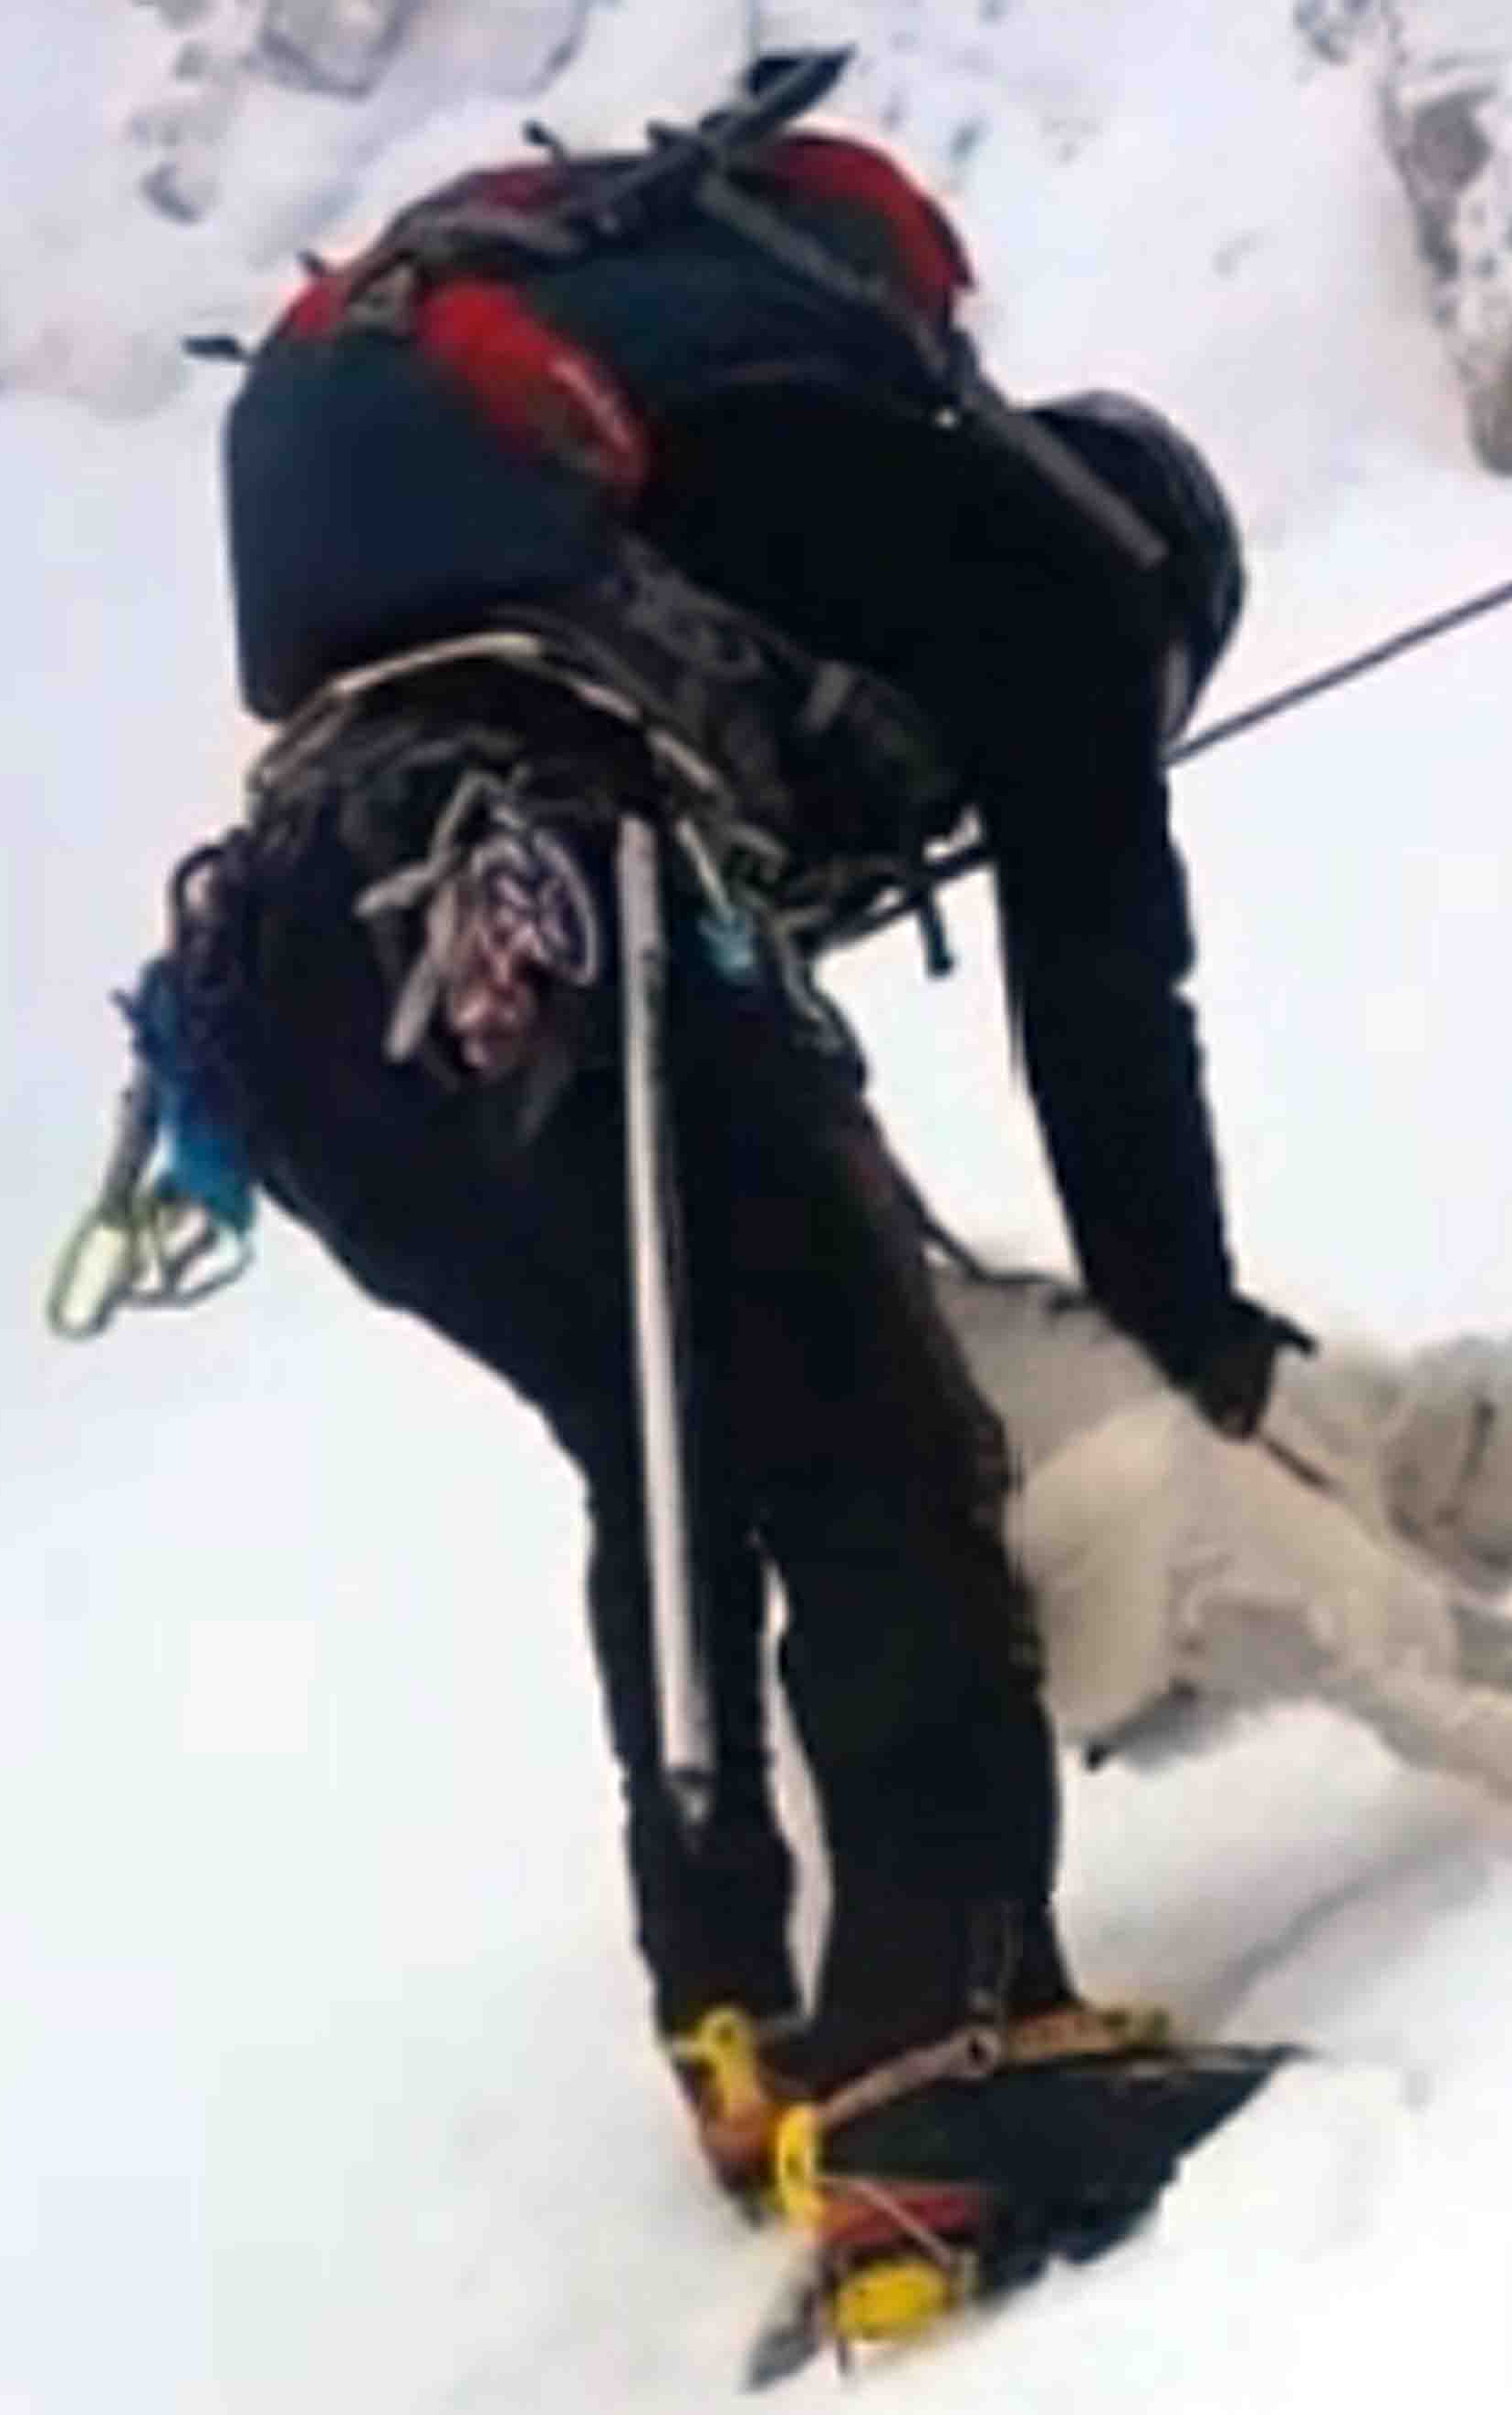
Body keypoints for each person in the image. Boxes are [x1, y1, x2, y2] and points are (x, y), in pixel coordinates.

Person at [141, 54, 1298, 2205]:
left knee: (668, 1434)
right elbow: (1102, 995)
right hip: (550, 882)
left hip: (295, 973)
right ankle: (942, 2067)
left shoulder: (742, 490)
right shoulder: (1045, 569)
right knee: (887, 1440)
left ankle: (739, 2024)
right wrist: (1191, 1324)